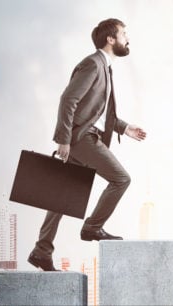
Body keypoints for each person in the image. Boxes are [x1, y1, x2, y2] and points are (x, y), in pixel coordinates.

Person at [28, 18, 147, 271]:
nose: (128, 38)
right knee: (121, 179)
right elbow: (68, 99)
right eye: (124, 33)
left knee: (62, 196)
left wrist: (124, 128)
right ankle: (92, 227)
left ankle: (41, 250)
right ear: (110, 39)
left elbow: (96, 113)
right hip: (83, 138)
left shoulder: (105, 68)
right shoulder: (93, 64)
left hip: (85, 135)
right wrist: (64, 139)